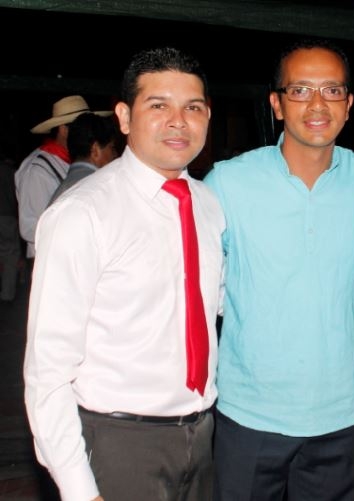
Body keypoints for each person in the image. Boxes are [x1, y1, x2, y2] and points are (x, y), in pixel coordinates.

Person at [24, 47, 224, 501]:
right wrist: (79, 488)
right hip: (119, 441)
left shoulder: (208, 205)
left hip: (201, 435)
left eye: (193, 108)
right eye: (159, 106)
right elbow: (48, 367)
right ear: (125, 117)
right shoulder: (83, 213)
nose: (178, 122)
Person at [203, 38, 354, 501]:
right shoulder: (228, 182)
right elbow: (198, 284)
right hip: (250, 410)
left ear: (348, 104)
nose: (317, 104)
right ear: (277, 104)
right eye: (300, 90)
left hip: (342, 408)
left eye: (332, 90)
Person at [14, 95, 112, 261]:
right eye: (80, 126)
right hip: (48, 260)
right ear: (63, 129)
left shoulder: (74, 161)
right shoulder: (38, 169)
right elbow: (30, 227)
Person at [48, 112, 121, 205]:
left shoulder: (61, 190)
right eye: (112, 148)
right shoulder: (100, 187)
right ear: (95, 150)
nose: (115, 155)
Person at [0, 152, 20, 304]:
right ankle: (7, 294)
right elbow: (17, 196)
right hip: (7, 217)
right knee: (10, 255)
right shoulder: (11, 173)